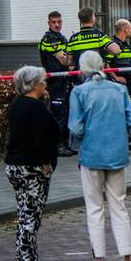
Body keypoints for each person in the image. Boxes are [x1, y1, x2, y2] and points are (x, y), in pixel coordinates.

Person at [68, 51, 131, 261]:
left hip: (91, 155)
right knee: (119, 205)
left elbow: (75, 128)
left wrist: (80, 141)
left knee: (94, 207)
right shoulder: (119, 89)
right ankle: (128, 258)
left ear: (82, 69)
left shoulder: (79, 92)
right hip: (117, 154)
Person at [5, 66, 61, 261]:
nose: (45, 84)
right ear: (35, 84)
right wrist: (46, 162)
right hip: (31, 166)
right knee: (31, 215)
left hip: (14, 164)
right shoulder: (36, 108)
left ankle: (27, 260)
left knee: (24, 211)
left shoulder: (16, 105)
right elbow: (43, 137)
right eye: (42, 81)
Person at [38, 11, 76, 158]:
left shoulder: (61, 38)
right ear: (49, 23)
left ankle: (64, 143)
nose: (57, 24)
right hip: (54, 82)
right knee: (58, 114)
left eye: (59, 22)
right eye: (54, 22)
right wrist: (76, 54)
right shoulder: (50, 40)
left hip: (62, 80)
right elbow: (65, 61)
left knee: (64, 113)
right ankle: (58, 146)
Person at [65, 7, 121, 80]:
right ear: (92, 19)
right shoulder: (99, 36)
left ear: (80, 20)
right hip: (98, 79)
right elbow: (116, 50)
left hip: (81, 79)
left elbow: (69, 61)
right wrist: (106, 52)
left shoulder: (73, 39)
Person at [108, 19, 131, 152]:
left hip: (130, 83)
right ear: (125, 29)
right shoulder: (113, 45)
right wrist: (116, 77)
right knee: (119, 113)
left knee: (128, 111)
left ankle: (127, 139)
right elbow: (106, 64)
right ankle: (121, 140)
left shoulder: (126, 45)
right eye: (130, 28)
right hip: (119, 84)